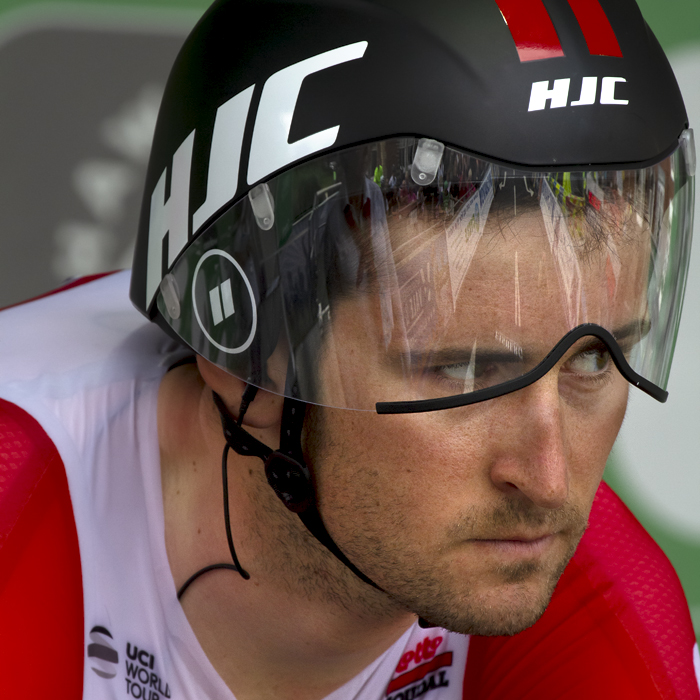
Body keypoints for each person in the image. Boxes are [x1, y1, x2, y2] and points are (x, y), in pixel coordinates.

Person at [0, 0, 698, 697]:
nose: (548, 480)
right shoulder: (19, 502)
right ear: (244, 356)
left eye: (589, 360)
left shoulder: (599, 606)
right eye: (464, 370)